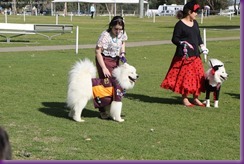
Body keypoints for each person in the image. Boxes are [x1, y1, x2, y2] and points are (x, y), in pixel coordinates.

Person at [160, 0, 209, 107]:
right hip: (184, 56)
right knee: (185, 78)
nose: (197, 14)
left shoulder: (195, 23)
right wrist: (181, 43)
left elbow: (198, 37)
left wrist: (202, 46)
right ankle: (185, 98)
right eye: (195, 12)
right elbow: (174, 39)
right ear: (189, 12)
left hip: (195, 56)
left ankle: (196, 98)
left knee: (198, 77)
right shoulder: (180, 24)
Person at [95, 16, 128, 118]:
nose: (118, 31)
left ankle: (113, 110)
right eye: (116, 29)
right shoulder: (105, 35)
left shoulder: (122, 33)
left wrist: (122, 53)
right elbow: (97, 51)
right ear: (111, 26)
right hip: (104, 60)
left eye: (120, 29)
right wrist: (104, 68)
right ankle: (102, 110)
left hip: (116, 60)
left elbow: (122, 42)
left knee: (117, 85)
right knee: (106, 85)